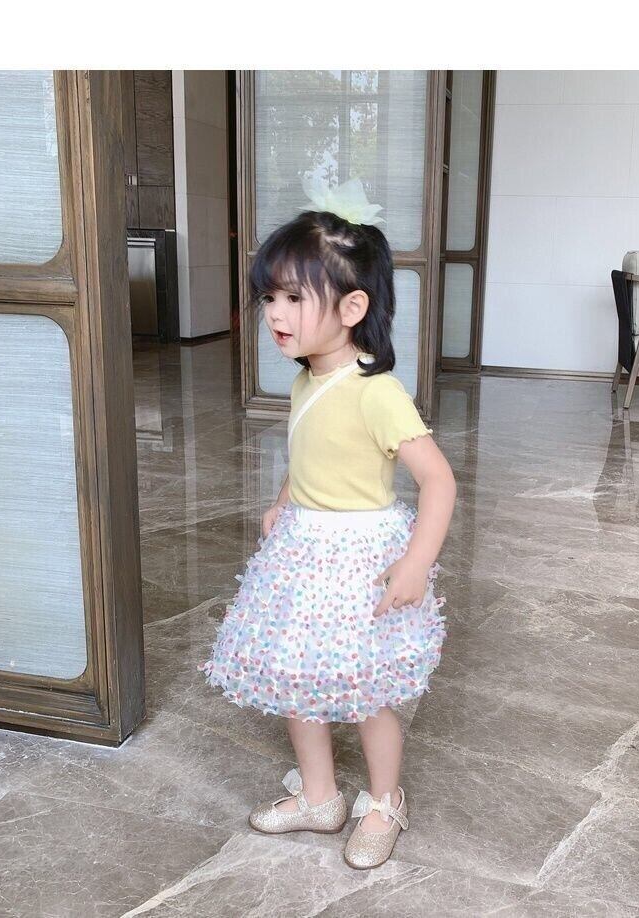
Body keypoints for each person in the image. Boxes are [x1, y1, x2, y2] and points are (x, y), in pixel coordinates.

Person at [199, 179, 456, 870]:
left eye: (293, 297)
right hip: (302, 549)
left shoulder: (377, 393)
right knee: (296, 675)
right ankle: (319, 797)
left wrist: (415, 563)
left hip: (358, 559)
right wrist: (286, 497)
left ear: (352, 307)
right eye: (269, 297)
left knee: (365, 690)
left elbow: (438, 480)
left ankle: (383, 801)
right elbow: (307, 448)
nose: (274, 313)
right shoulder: (305, 379)